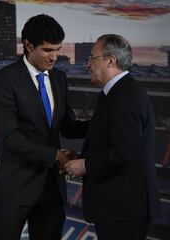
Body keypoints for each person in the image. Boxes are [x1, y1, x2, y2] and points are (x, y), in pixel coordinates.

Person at [0, 14, 88, 240]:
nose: (54, 57)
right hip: (16, 186)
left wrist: (103, 124)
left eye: (58, 49)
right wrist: (56, 155)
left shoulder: (60, 78)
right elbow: (10, 137)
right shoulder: (4, 80)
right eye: (47, 50)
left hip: (52, 188)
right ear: (27, 45)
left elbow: (68, 127)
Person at [65, 34, 160, 240]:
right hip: (120, 208)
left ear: (111, 60)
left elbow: (123, 153)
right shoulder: (117, 92)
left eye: (92, 58)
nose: (87, 65)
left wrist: (85, 165)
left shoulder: (125, 97)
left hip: (124, 210)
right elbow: (102, 129)